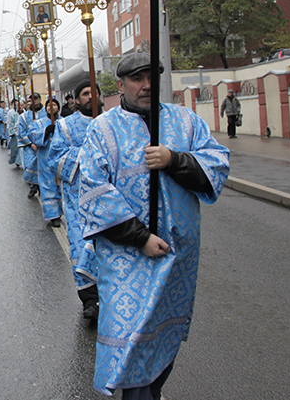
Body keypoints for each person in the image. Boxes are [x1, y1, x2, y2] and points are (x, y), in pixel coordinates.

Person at [77, 53, 230, 398]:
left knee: (163, 337)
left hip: (177, 256)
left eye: (152, 77)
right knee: (130, 336)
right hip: (126, 256)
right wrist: (140, 237)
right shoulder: (103, 129)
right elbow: (93, 192)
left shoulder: (187, 122)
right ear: (120, 85)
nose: (146, 86)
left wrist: (175, 159)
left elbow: (217, 164)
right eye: (137, 79)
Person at [47, 78, 103, 319]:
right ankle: (89, 300)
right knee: (81, 247)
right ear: (77, 99)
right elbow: (55, 157)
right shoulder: (66, 126)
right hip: (78, 199)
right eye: (85, 93)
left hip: (110, 199)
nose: (91, 97)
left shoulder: (113, 122)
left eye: (95, 93)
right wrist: (86, 154)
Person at [27, 98, 63, 227]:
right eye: (49, 105)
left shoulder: (64, 122)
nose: (51, 107)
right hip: (45, 159)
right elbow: (31, 134)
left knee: (63, 187)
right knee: (48, 186)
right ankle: (54, 215)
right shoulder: (39, 123)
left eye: (54, 104)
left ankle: (63, 210)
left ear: (58, 107)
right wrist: (46, 131)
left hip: (62, 159)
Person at [18, 93, 46, 199]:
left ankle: (43, 187)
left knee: (44, 167)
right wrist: (31, 144)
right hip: (30, 146)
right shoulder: (24, 116)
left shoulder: (47, 114)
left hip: (44, 146)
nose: (34, 101)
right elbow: (21, 132)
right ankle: (33, 186)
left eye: (36, 99)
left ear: (40, 99)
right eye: (32, 99)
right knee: (30, 165)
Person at [7, 100, 23, 167]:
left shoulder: (26, 114)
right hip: (16, 134)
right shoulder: (14, 115)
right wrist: (13, 132)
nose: (20, 107)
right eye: (18, 106)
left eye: (22, 105)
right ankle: (16, 161)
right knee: (16, 149)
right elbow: (11, 124)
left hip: (23, 134)